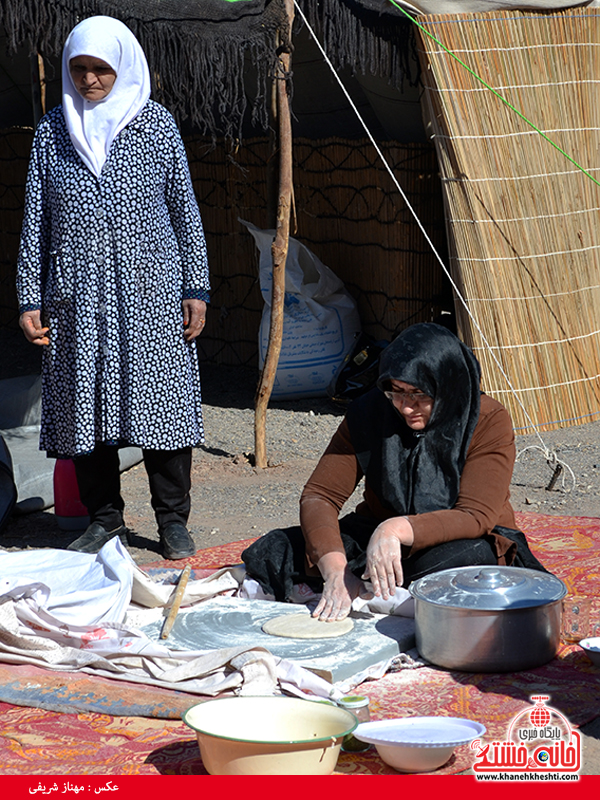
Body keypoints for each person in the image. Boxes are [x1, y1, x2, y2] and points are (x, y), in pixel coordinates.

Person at [16, 16, 210, 560]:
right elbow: (36, 221)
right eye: (79, 68)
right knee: (86, 409)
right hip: (76, 295)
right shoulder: (54, 132)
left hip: (150, 292)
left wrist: (196, 287)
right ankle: (105, 520)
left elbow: (184, 213)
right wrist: (29, 296)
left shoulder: (156, 126)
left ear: (123, 66)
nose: (90, 80)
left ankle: (172, 522)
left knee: (163, 412)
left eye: (101, 68)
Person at [242, 322, 548, 619]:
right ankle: (369, 589)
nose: (405, 406)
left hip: (458, 538)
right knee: (277, 548)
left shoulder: (487, 420)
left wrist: (395, 530)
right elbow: (320, 495)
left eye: (419, 394)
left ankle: (370, 588)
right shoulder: (369, 411)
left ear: (447, 387)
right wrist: (335, 568)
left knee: (465, 565)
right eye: (396, 392)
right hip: (376, 533)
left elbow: (475, 515)